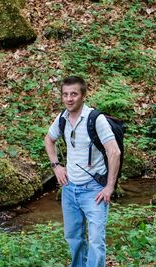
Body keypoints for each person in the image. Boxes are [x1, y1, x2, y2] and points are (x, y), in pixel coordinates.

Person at [44, 76, 121, 267]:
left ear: (83, 95)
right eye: (65, 94)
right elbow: (49, 139)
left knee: (96, 241)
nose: (69, 99)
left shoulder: (96, 119)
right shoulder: (62, 118)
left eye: (74, 94)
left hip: (94, 190)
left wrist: (110, 187)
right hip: (69, 189)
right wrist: (56, 166)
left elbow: (114, 151)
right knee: (74, 238)